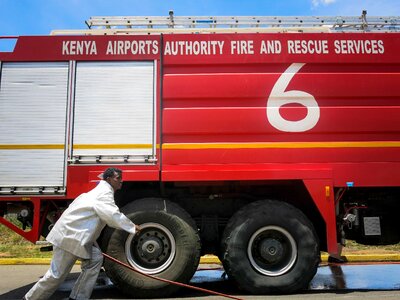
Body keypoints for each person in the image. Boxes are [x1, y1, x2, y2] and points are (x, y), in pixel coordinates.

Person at [24, 167, 140, 300]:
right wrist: (132, 227)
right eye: (118, 178)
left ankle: (78, 297)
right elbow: (112, 215)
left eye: (121, 177)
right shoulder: (103, 194)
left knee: (95, 259)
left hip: (74, 237)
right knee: (56, 276)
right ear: (108, 179)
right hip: (69, 238)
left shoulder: (99, 192)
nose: (121, 181)